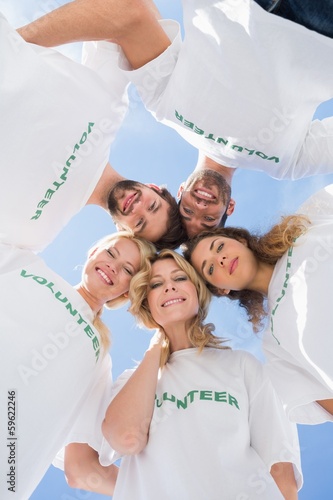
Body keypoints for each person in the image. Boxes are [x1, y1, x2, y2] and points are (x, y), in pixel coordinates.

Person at [18, 0, 333, 238]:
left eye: (187, 210)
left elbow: (129, 16)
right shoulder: (286, 163)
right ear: (229, 208)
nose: (200, 207)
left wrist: (13, 50)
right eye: (208, 218)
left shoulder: (163, 107)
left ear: (179, 190)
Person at [95, 249, 302, 499]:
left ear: (197, 290)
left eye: (179, 278)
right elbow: (125, 437)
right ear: (146, 304)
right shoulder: (131, 381)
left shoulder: (242, 365)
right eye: (156, 284)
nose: (169, 287)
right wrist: (156, 348)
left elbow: (281, 468)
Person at [0, 10, 185, 251]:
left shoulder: (34, 234)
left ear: (123, 232)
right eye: (152, 207)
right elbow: (124, 10)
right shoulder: (110, 107)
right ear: (154, 189)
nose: (137, 208)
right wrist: (14, 45)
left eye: (140, 223)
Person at [0, 230, 155, 499]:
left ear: (128, 291)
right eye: (110, 253)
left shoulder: (98, 357)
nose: (112, 266)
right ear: (94, 251)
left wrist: (166, 491)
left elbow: (81, 468)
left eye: (127, 269)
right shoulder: (28, 267)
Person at [183, 183, 333, 424]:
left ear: (240, 240)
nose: (219, 259)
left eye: (219, 246)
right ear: (222, 288)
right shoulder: (274, 345)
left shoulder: (308, 222)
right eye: (210, 268)